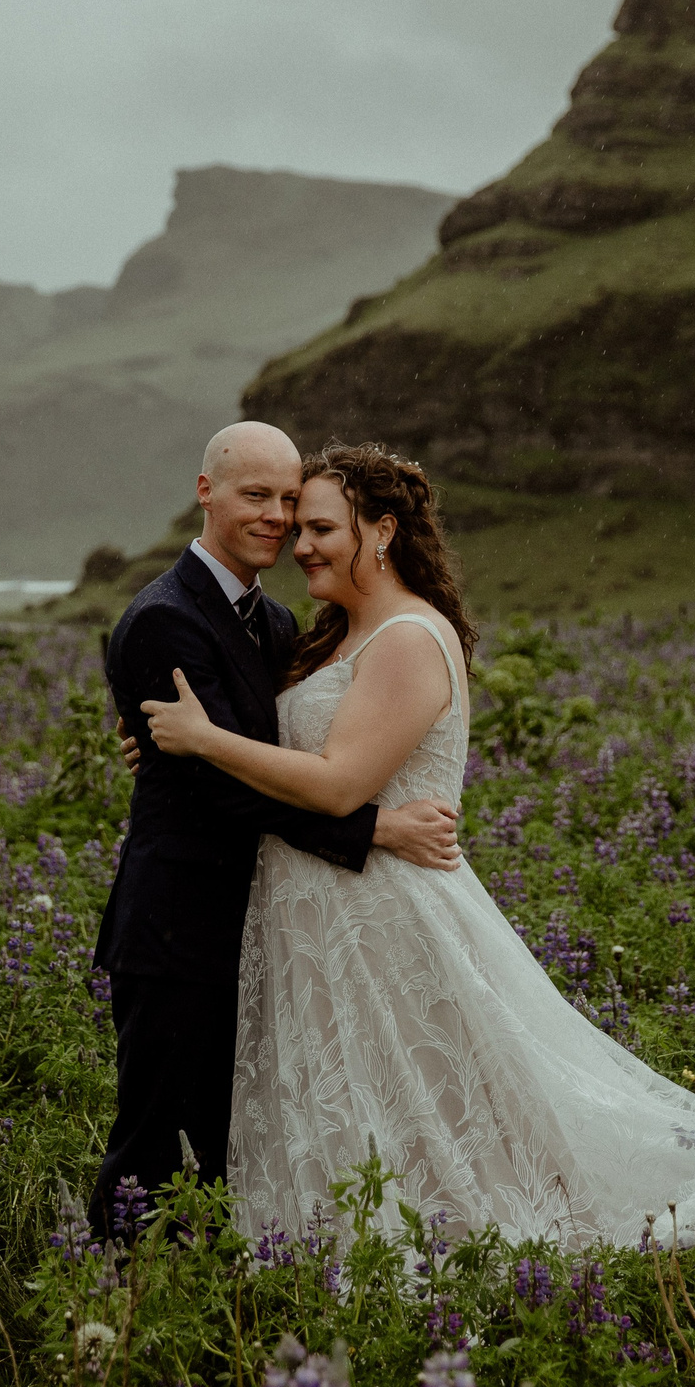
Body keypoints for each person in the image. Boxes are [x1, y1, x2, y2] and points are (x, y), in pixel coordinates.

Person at [141, 441, 695, 1249]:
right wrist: (160, 743)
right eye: (298, 526)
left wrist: (204, 741)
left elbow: (335, 784)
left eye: (323, 527)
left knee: (435, 1106)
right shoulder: (325, 637)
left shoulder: (405, 637)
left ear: (386, 531)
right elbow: (278, 745)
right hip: (317, 908)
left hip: (384, 908)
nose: (301, 544)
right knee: (360, 1103)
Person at [88, 422, 463, 1244]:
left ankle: (223, 1305)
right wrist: (374, 829)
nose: (278, 519)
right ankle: (124, 1321)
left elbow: (267, 752)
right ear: (206, 492)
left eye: (292, 502)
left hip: (270, 928)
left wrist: (187, 751)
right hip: (179, 925)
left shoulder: (284, 623)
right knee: (157, 1144)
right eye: (256, 495)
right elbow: (220, 789)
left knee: (240, 1145)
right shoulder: (162, 619)